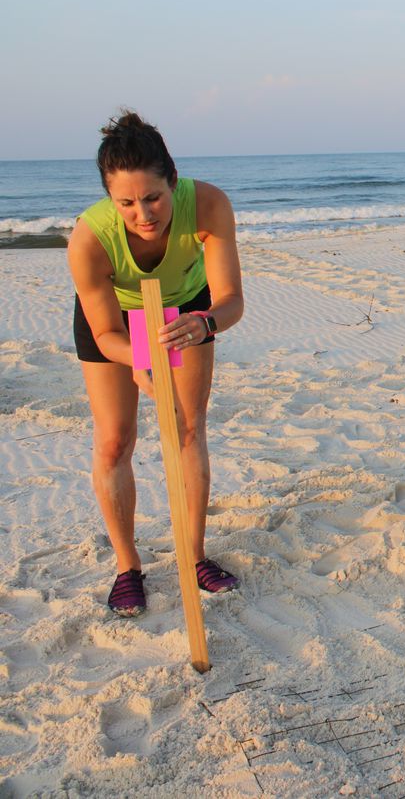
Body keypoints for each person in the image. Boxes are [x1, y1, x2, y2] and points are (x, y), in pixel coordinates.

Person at [68, 111, 245, 617]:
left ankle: (194, 557)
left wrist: (206, 324)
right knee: (114, 439)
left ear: (173, 181)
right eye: (125, 203)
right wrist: (139, 362)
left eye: (153, 198)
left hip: (187, 309)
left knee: (188, 429)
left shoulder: (208, 204)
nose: (142, 214)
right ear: (110, 199)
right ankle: (128, 568)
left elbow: (231, 300)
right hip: (116, 321)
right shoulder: (89, 238)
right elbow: (105, 333)